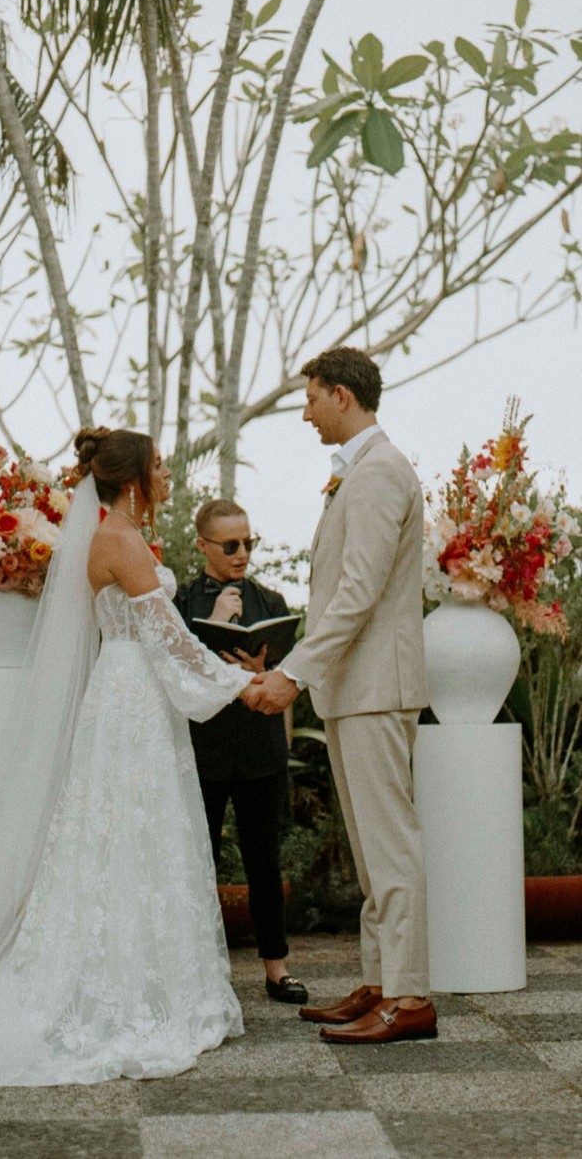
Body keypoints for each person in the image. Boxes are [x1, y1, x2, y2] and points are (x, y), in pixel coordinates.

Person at [0, 427, 260, 1093]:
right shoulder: (119, 542)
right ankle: (123, 998)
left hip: (133, 692)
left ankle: (138, 979)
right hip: (135, 693)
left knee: (131, 838)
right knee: (132, 832)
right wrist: (240, 684)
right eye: (159, 466)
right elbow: (169, 642)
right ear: (132, 478)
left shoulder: (116, 537)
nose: (168, 475)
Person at [244, 346, 436, 1044]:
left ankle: (410, 996)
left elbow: (357, 594)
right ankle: (383, 981)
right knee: (370, 849)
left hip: (376, 685)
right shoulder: (364, 473)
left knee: (391, 846)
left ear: (343, 396)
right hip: (357, 687)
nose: (305, 412)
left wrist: (294, 672)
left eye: (312, 398)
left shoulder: (382, 472)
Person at [174, 499, 308, 1005]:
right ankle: (198, 971)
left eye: (248, 542)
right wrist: (210, 621)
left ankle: (277, 969)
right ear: (203, 545)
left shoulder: (270, 601)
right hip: (202, 750)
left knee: (263, 863)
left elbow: (288, 672)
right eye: (230, 545)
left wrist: (261, 667)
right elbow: (175, 669)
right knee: (196, 863)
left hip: (259, 748)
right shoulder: (183, 601)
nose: (242, 553)